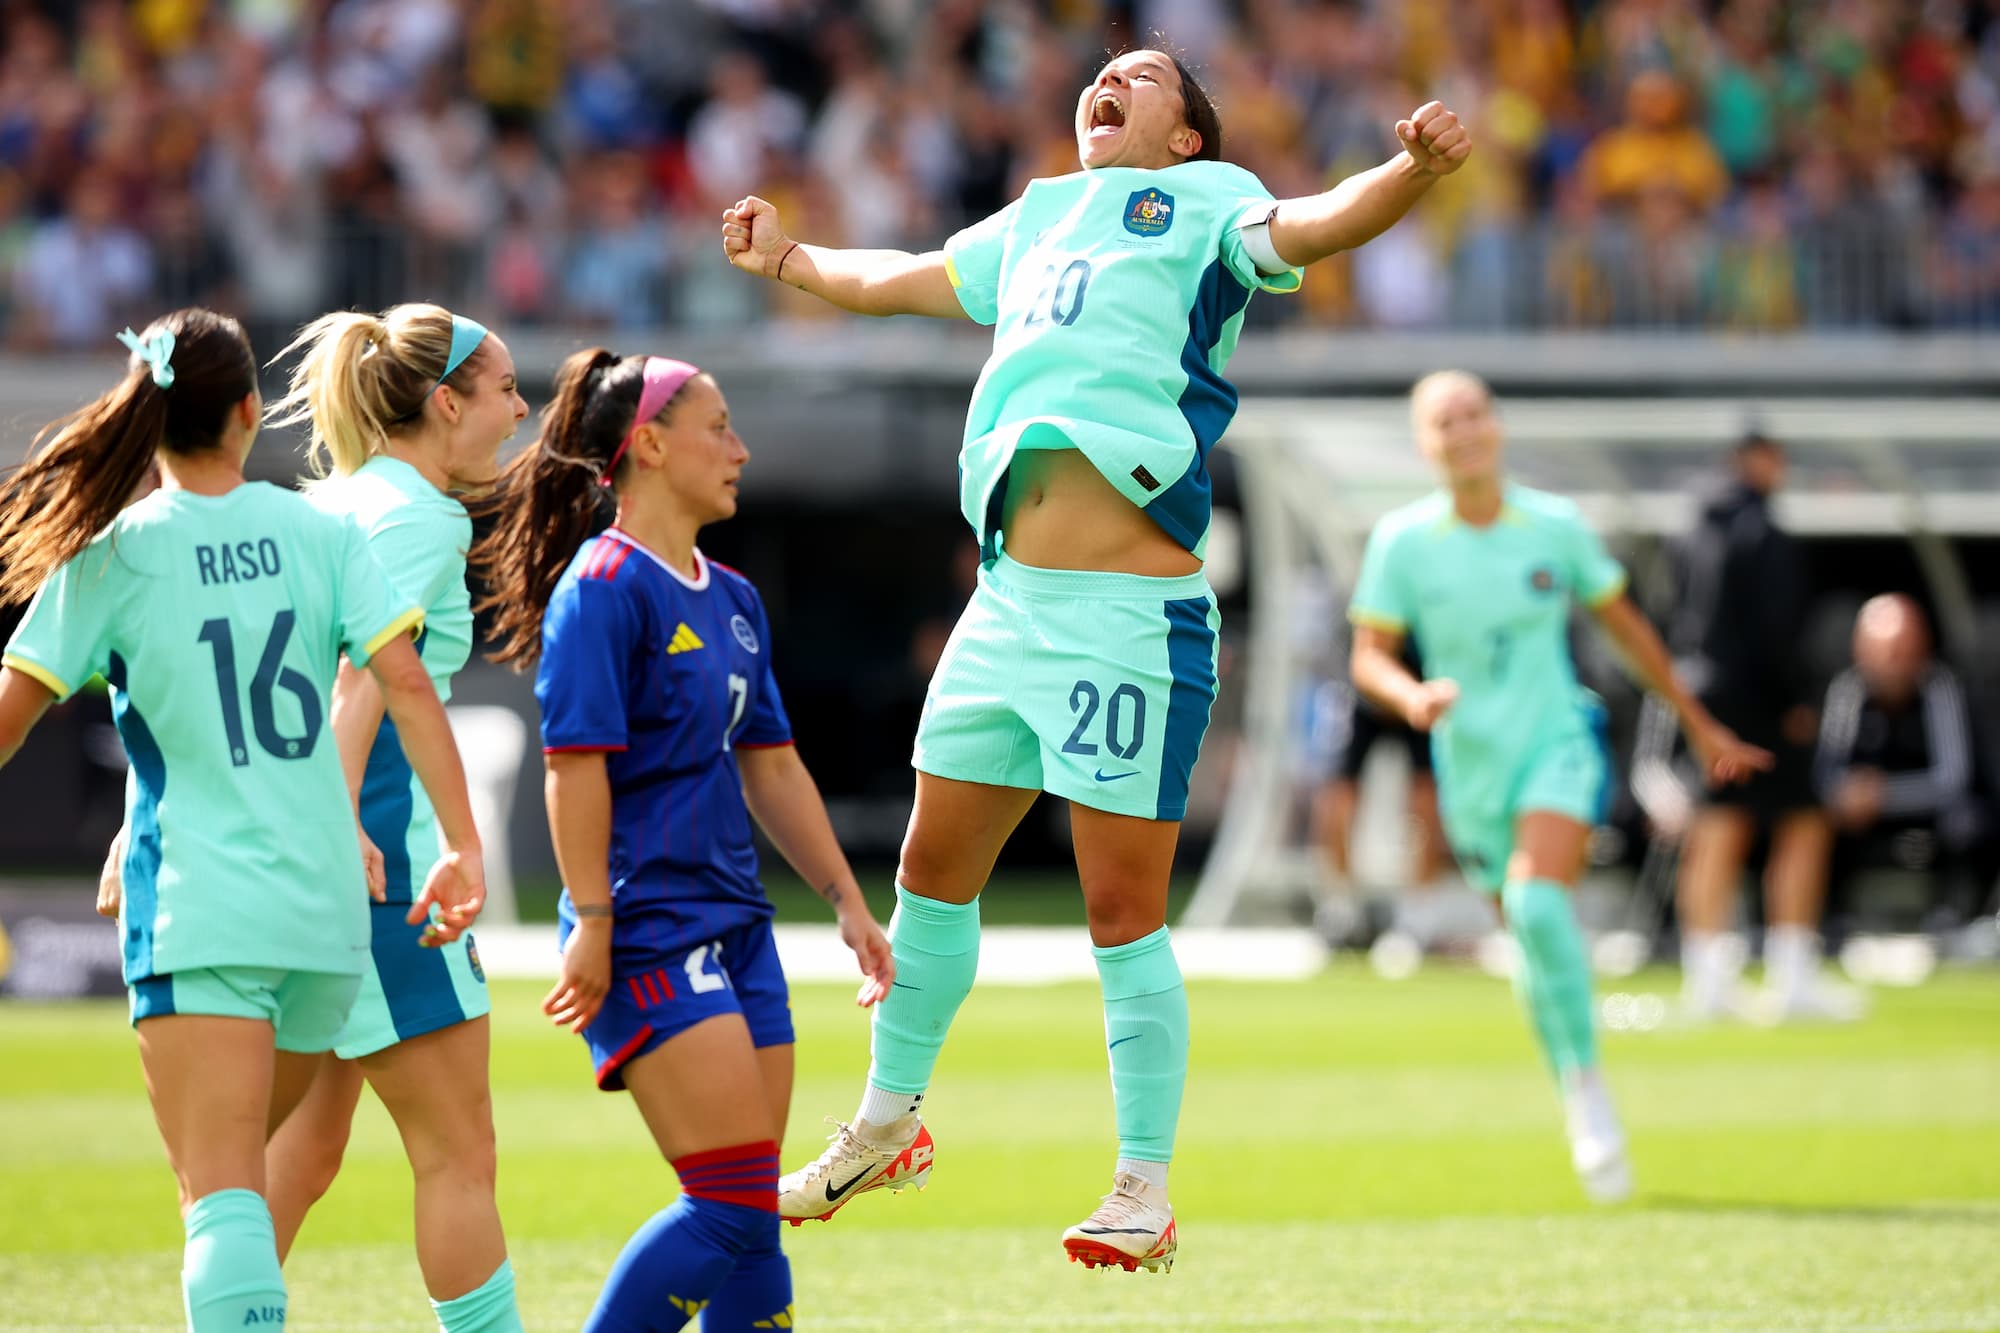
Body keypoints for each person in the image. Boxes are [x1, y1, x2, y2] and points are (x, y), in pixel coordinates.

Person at [720, 43, 1471, 1272]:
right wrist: (791, 259)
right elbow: (904, 278)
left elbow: (1321, 222)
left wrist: (1411, 172)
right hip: (1006, 603)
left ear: (1185, 135)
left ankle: (1141, 1188)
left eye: (1141, 74)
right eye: (1101, 73)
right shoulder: (1038, 213)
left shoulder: (1209, 197)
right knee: (929, 873)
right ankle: (885, 1122)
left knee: (1119, 911)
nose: (1106, 81)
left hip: (1128, 616)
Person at [0, 309, 484, 1332]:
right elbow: (403, 682)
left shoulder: (117, 555)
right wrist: (464, 841)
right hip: (323, 919)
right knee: (273, 1173)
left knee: (222, 1195)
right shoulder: (320, 532)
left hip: (202, 908)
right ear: (250, 413)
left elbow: (12, 716)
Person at [471, 350, 894, 1332]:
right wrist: (592, 919)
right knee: (728, 1204)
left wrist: (846, 900)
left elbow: (772, 766)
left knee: (753, 1218)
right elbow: (573, 767)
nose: (739, 449)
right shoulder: (603, 587)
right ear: (651, 447)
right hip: (650, 928)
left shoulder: (733, 598)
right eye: (719, 427)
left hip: (738, 926)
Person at [1347, 370, 1770, 1203]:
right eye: (1444, 421)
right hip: (1471, 766)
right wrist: (1412, 696)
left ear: (1496, 426)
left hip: (1557, 742)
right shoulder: (1402, 541)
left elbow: (1628, 629)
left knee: (1539, 905)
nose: (1464, 431)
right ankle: (1571, 1075)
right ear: (1426, 443)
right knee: (1528, 942)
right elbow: (1369, 656)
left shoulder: (1554, 524)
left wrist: (1698, 723)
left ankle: (1589, 1091)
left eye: (1474, 414)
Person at [255, 304, 530, 1332]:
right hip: (382, 863)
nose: (520, 409)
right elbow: (363, 681)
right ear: (446, 402)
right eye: (506, 388)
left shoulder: (334, 502)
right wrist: (345, 828)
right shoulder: (420, 515)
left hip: (306, 855)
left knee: (301, 1150)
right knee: (458, 1152)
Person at [1671, 430, 1844, 1020]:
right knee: (1805, 821)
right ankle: (1792, 977)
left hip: (1704, 694)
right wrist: (1795, 699)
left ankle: (1707, 980)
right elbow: (1775, 627)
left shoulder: (1691, 528)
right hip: (1761, 701)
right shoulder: (1763, 531)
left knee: (1716, 825)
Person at [1816, 595, 1997, 937]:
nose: (1892, 663)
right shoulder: (1847, 691)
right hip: (1860, 817)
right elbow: (1826, 771)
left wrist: (1885, 794)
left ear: (1922, 648)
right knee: (1813, 822)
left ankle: (1956, 921)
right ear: (1860, 651)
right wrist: (1847, 795)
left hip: (1925, 812)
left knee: (1968, 822)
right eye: (1883, 652)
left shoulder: (1940, 686)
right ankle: (1831, 922)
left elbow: (1954, 778)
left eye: (1902, 651)